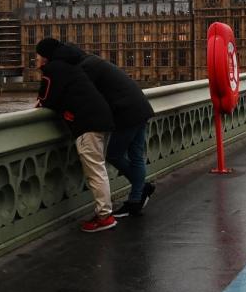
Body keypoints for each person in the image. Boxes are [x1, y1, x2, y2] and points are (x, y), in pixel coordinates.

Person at [51, 41, 157, 217]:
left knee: (112, 154)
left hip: (126, 113)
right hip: (141, 107)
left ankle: (140, 189)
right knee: (136, 155)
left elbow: (82, 96)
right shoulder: (94, 61)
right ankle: (136, 200)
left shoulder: (85, 69)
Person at [35, 38, 117, 233]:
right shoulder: (70, 65)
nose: (36, 59)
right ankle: (105, 212)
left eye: (37, 55)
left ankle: (105, 216)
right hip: (101, 119)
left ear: (45, 56)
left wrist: (40, 102)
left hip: (87, 123)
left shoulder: (54, 69)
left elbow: (48, 98)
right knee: (99, 169)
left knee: (95, 172)